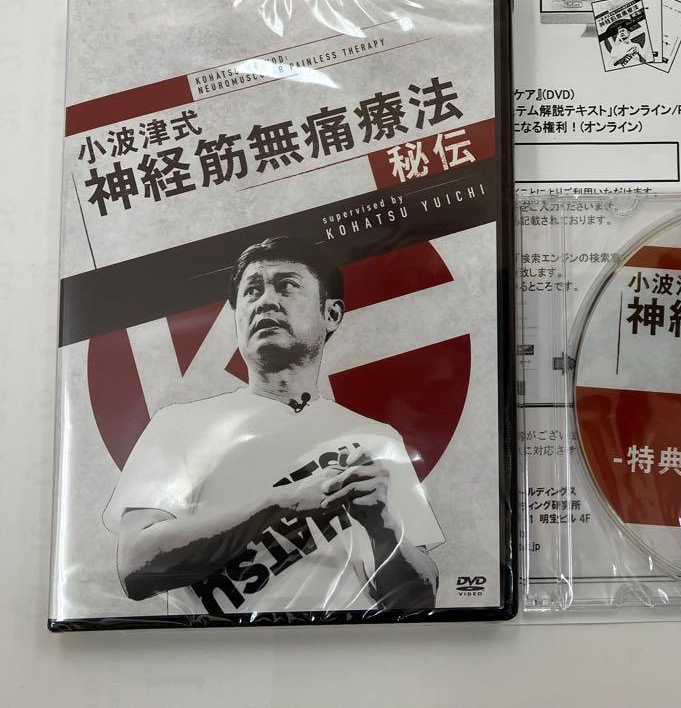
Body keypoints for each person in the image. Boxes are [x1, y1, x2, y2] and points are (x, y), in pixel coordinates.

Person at [105, 236, 442, 617]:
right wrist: (278, 504)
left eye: (287, 286)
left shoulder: (377, 440)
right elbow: (135, 567)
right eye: (252, 290)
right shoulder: (178, 424)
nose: (265, 301)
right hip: (219, 649)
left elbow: (418, 602)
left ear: (331, 313)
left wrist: (384, 528)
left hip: (347, 646)